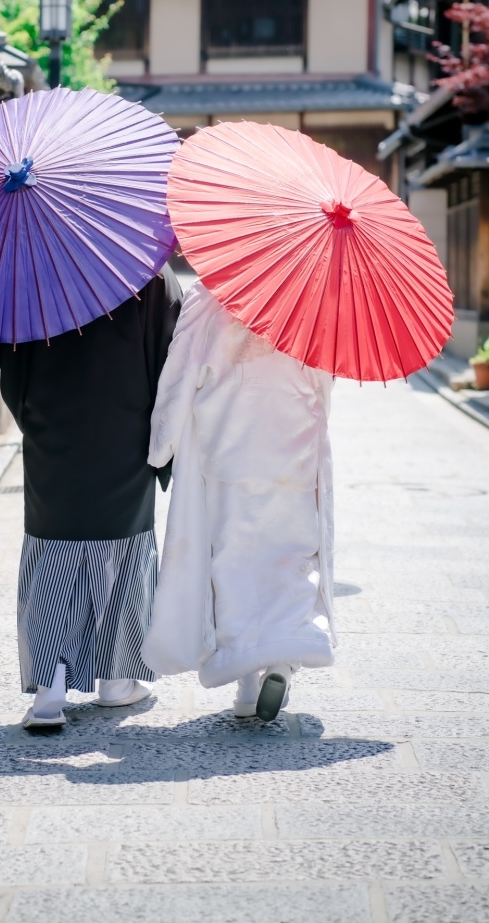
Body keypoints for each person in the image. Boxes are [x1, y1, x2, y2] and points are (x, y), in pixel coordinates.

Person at [0, 267, 183, 729]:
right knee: (124, 549)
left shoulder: (29, 271)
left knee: (54, 546)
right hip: (126, 430)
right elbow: (172, 354)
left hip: (54, 429)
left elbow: (7, 353)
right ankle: (117, 680)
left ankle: (50, 684)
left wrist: (34, 415)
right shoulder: (146, 270)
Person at [140, 278, 336, 722]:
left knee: (233, 558)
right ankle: (281, 659)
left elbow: (180, 374)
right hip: (293, 447)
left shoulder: (207, 297)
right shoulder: (308, 295)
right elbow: (323, 384)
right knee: (292, 556)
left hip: (227, 447)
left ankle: (247, 686)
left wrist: (161, 445)